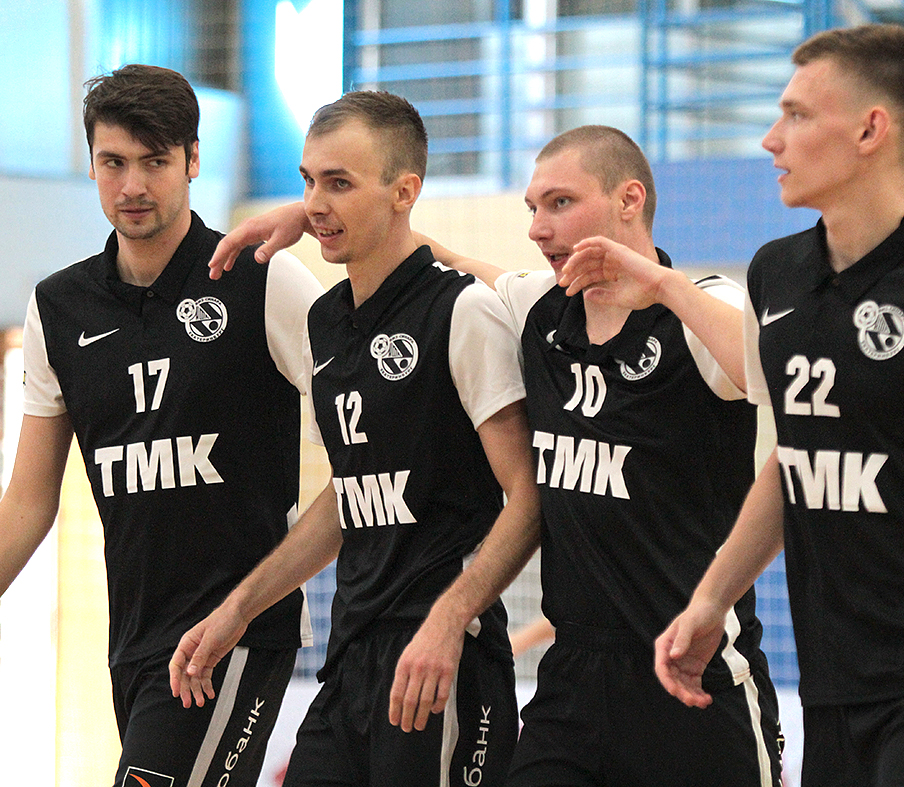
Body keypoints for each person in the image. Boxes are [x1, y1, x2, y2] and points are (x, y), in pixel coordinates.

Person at [210, 124, 784, 785]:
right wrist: (315, 214)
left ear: (630, 199)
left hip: (696, 673)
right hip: (573, 683)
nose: (538, 227)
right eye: (533, 208)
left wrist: (660, 284)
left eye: (560, 203)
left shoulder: (705, 303)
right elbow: (430, 255)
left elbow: (766, 369)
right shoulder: (541, 307)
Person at [0, 64, 324, 787]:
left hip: (235, 637)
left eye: (154, 161)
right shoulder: (58, 308)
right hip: (132, 640)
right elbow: (29, 498)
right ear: (92, 164)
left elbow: (371, 438)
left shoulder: (264, 279)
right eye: (113, 162)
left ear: (193, 160)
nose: (132, 185)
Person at [641, 24, 904, 787]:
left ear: (870, 129)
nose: (770, 139)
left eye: (795, 115)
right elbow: (791, 463)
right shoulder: (775, 276)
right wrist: (711, 599)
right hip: (830, 687)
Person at [169, 90, 540, 787]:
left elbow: (530, 495)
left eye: (339, 183)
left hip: (441, 661)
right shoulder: (326, 322)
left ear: (405, 192)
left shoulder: (463, 309)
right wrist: (238, 609)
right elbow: (351, 497)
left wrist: (449, 618)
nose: (315, 204)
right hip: (350, 660)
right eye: (308, 181)